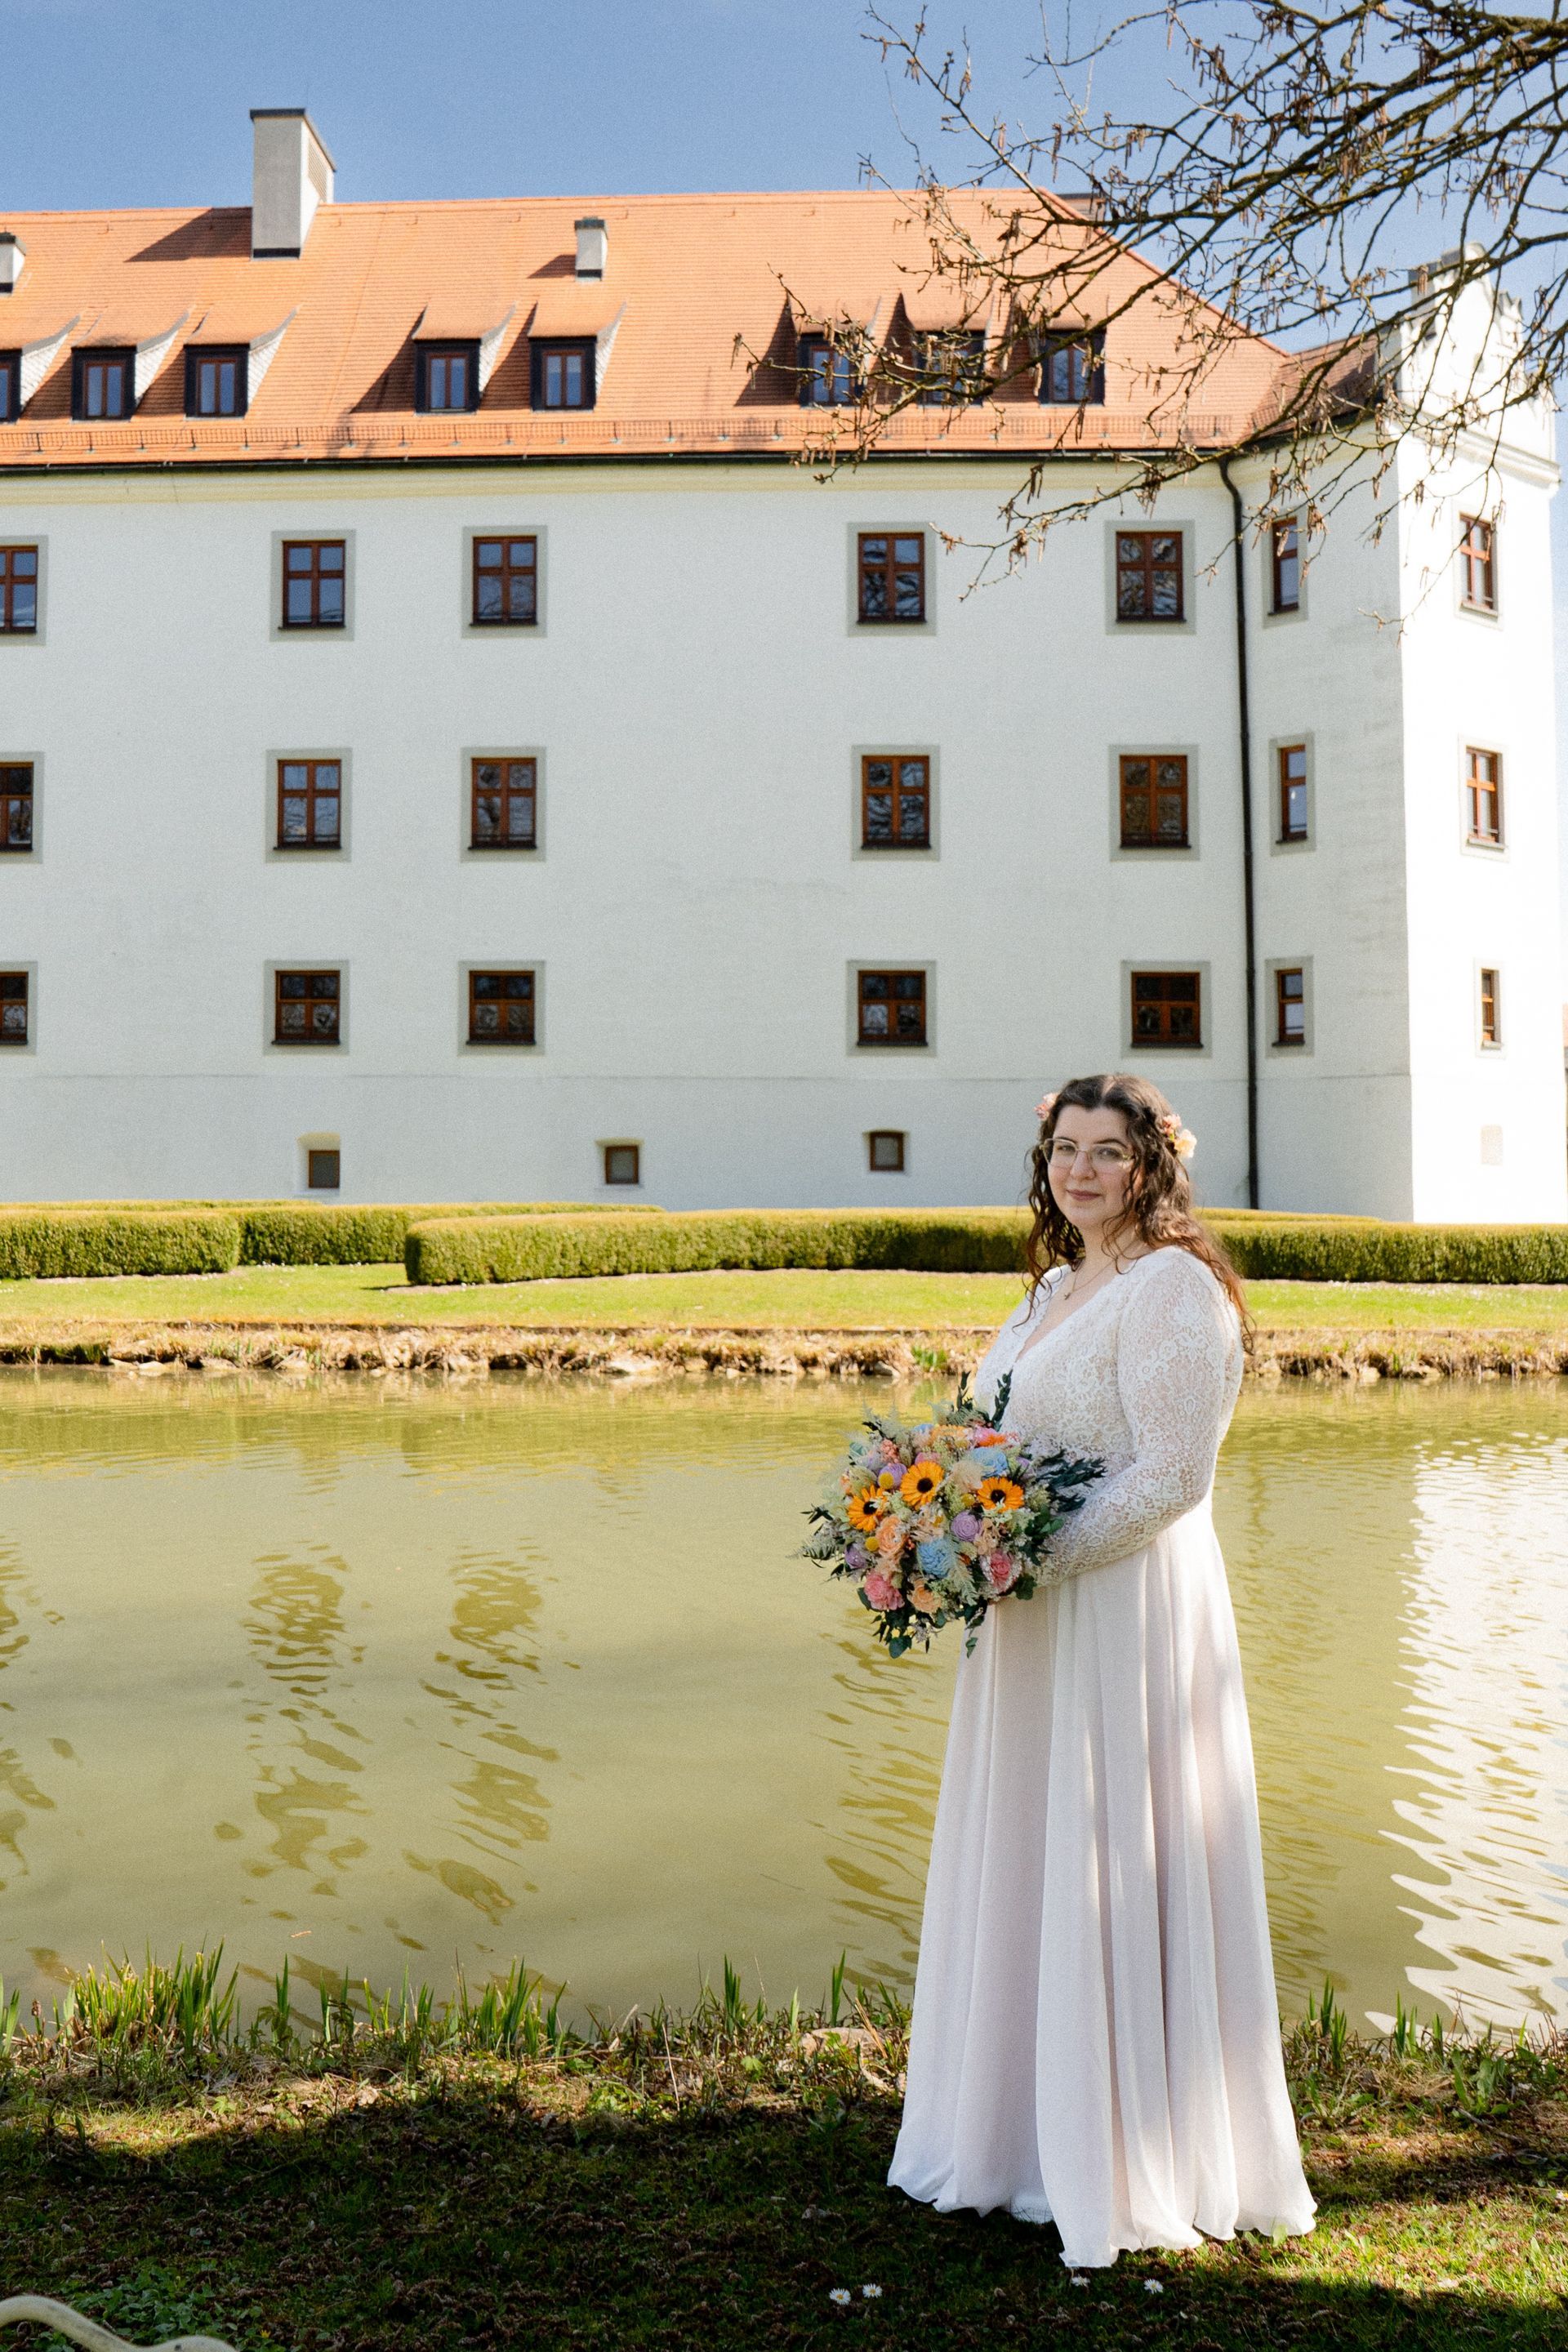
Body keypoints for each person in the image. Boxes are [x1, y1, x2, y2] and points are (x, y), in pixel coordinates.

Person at [888, 1073, 1316, 2270]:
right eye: (1067, 1149)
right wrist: (949, 1527)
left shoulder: (1176, 1289)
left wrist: (1022, 1563)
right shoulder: (1045, 1289)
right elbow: (998, 1441)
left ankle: (1127, 2146)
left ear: (1152, 1166)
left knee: (1109, 1848)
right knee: (1030, 1843)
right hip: (1030, 1621)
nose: (1083, 1170)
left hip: (1125, 1612)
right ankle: (1014, 2132)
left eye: (1109, 1152)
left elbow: (1176, 1476)